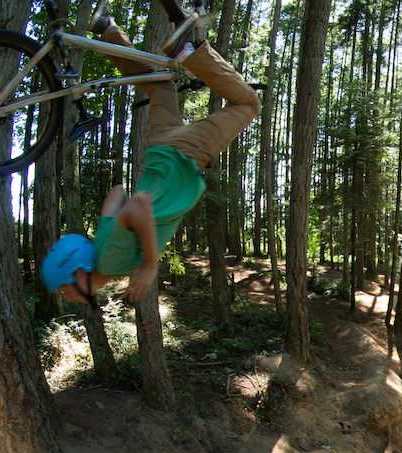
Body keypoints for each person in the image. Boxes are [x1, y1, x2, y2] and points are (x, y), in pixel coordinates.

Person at [41, 0, 260, 305]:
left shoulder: (108, 262)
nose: (68, 297)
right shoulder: (101, 246)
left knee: (248, 105)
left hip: (181, 155)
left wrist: (149, 264)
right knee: (162, 87)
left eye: (65, 290)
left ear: (78, 274)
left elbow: (139, 203)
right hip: (160, 150)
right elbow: (118, 194)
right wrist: (127, 220)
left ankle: (188, 50)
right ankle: (107, 30)